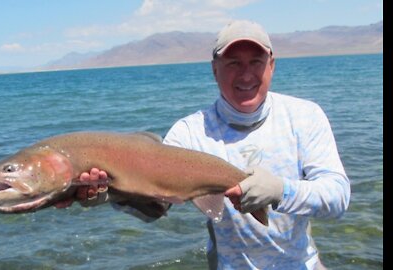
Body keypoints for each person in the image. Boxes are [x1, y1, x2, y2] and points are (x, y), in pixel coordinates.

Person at [57, 20, 351, 269]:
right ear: (214, 69)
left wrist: (280, 191)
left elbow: (337, 198)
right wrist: (115, 195)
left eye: (256, 62)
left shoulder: (304, 116)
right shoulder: (190, 133)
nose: (246, 74)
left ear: (271, 65)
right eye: (233, 63)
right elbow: (156, 207)